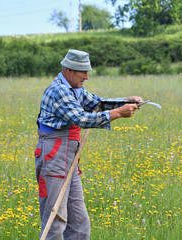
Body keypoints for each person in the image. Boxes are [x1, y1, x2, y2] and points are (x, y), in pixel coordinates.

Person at [34, 49, 142, 240]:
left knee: (79, 223)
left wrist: (126, 101)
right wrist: (118, 113)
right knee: (54, 221)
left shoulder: (75, 89)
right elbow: (81, 118)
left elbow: (97, 103)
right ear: (68, 70)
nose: (87, 76)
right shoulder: (58, 90)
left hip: (69, 158)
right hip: (54, 156)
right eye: (82, 72)